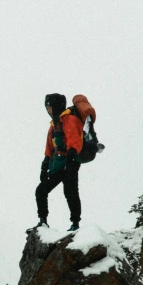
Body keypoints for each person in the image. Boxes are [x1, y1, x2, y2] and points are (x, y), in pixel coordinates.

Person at [33, 94, 95, 232]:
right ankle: (42, 221)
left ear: (56, 106)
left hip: (70, 163)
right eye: (47, 108)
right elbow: (49, 149)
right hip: (57, 164)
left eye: (50, 107)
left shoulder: (70, 120)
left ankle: (75, 224)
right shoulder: (53, 126)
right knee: (41, 191)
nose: (48, 111)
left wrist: (71, 159)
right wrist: (44, 167)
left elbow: (75, 142)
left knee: (70, 192)